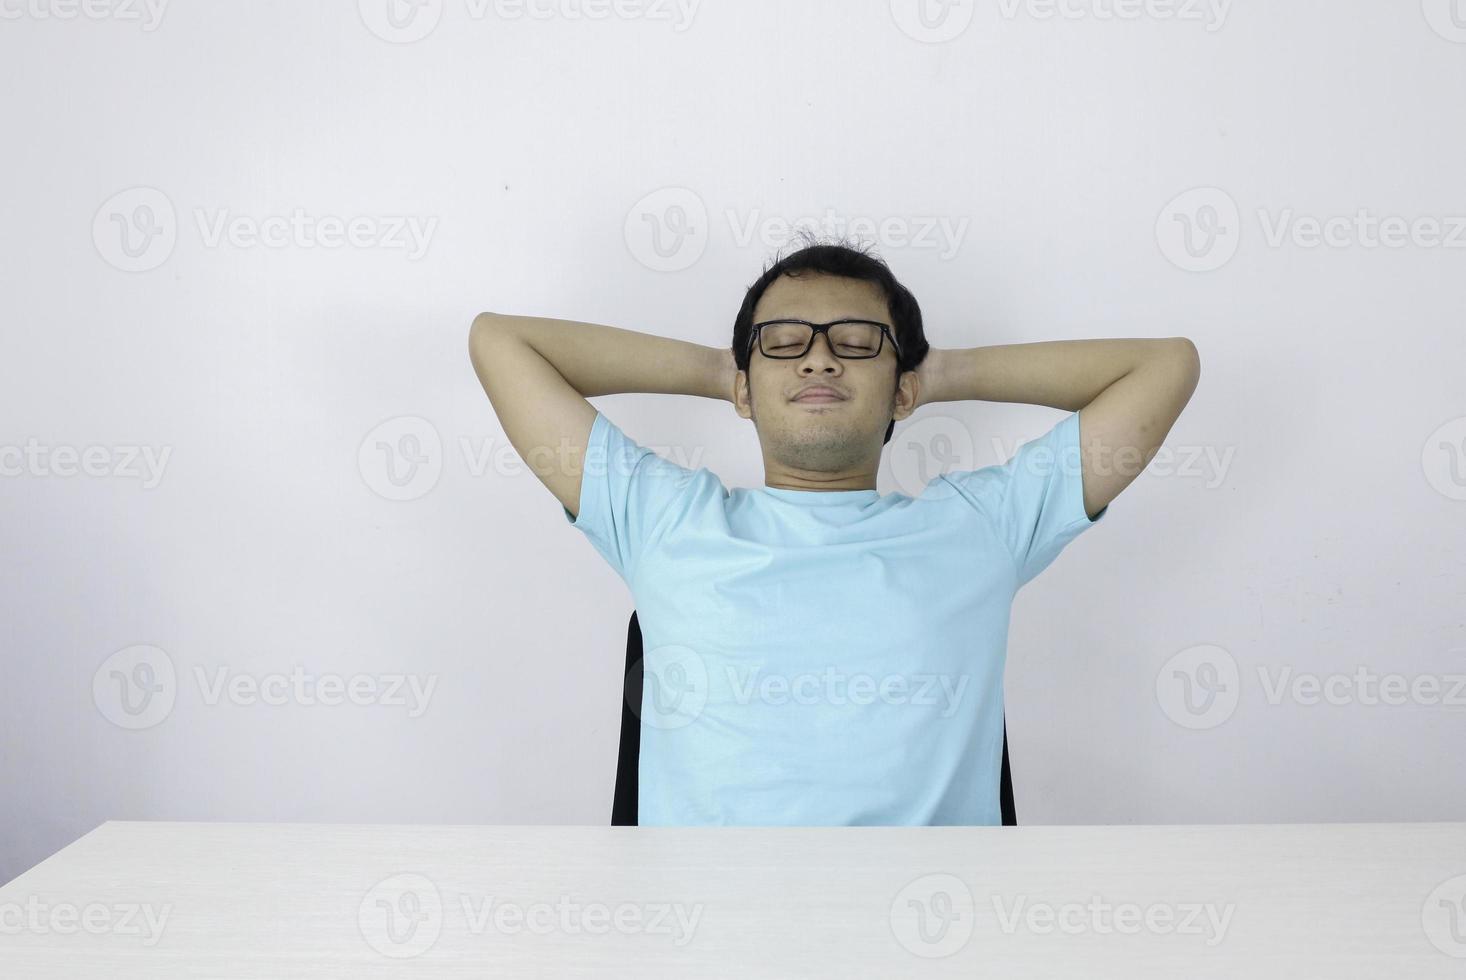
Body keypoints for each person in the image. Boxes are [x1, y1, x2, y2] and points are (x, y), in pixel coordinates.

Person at [467, 237, 1200, 826]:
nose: (819, 356)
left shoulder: (980, 528)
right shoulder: (663, 519)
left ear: (903, 388)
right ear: (745, 389)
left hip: (927, 942)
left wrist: (934, 373)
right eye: (785, 341)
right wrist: (725, 373)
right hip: (709, 946)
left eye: (855, 342)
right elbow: (500, 342)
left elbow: (1164, 365)